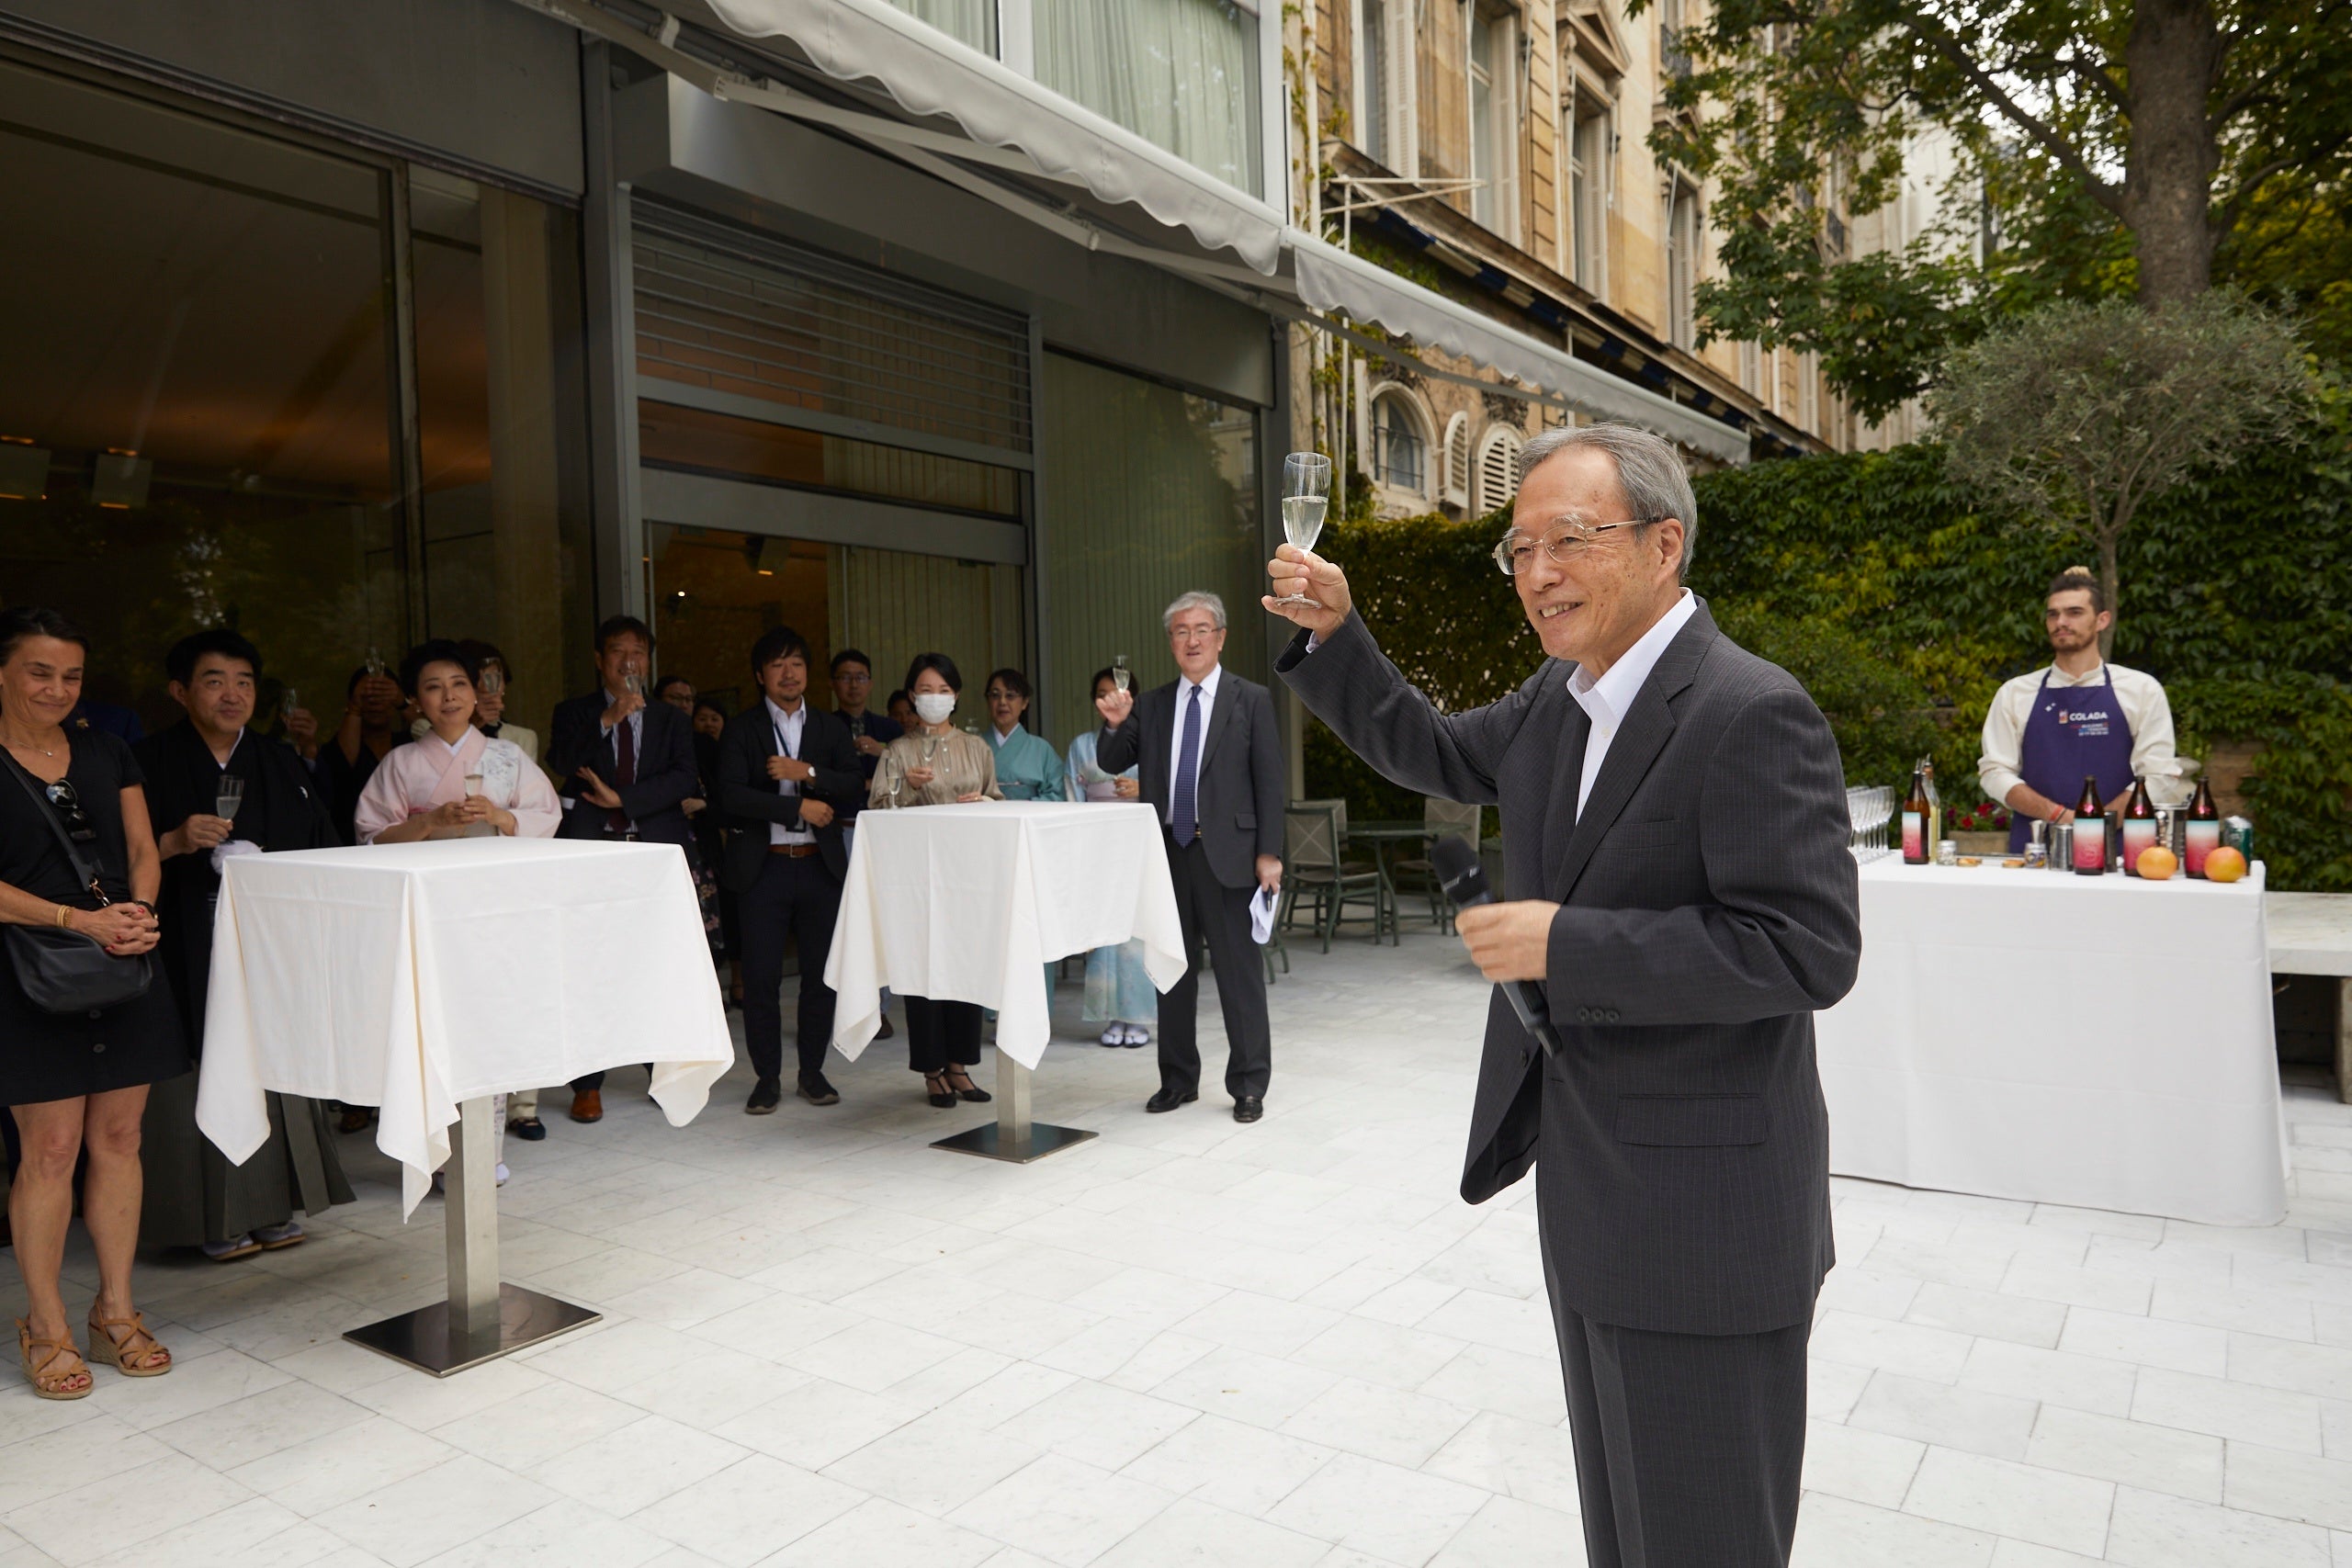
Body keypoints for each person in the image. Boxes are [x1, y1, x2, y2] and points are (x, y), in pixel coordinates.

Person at [1270, 423, 1861, 1568]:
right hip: (1593, 1195)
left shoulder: (1749, 710)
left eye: (1570, 540)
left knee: (1703, 1537)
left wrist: (1567, 945)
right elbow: (1432, 749)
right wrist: (1342, 635)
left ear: (1662, 545)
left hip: (1705, 1223)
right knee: (1626, 1534)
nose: (1538, 572)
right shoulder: (1560, 700)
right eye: (1518, 548)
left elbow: (1806, 949)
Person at [0, 606, 180, 1398]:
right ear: (2, 672)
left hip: (122, 961)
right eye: (40, 671)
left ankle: (115, 1308)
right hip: (29, 968)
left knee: (120, 1134)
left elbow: (143, 848)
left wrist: (139, 912)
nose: (57, 687)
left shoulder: (109, 749)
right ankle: (45, 1322)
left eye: (70, 674)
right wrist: (79, 918)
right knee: (48, 1150)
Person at [134, 629, 353, 1260]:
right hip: (182, 940)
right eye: (213, 679)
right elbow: (121, 854)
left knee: (271, 1060)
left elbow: (321, 843)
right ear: (180, 691)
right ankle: (210, 1215)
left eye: (244, 681)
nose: (232, 694)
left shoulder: (280, 761)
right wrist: (174, 840)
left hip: (266, 945)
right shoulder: (146, 760)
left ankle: (274, 1204)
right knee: (199, 1063)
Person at [1094, 592, 1285, 1124]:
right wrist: (1114, 723)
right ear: (1172, 642)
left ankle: (1248, 1085)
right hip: (1168, 855)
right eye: (1181, 631)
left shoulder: (1251, 699)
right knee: (1170, 974)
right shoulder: (1152, 704)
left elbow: (1270, 784)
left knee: (1238, 977)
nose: (1192, 639)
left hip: (1231, 858)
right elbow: (1112, 760)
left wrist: (1269, 854)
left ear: (1220, 638)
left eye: (1202, 629)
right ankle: (1177, 1080)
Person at [546, 615, 699, 1123]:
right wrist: (608, 721)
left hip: (653, 853)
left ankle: (663, 1072)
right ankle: (587, 1084)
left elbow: (683, 776)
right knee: (589, 966)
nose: (628, 661)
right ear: (599, 659)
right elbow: (563, 759)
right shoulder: (575, 713)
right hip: (593, 851)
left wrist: (624, 799)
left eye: (638, 651)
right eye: (617, 651)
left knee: (657, 963)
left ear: (648, 660)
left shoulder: (671, 718)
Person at [716, 626, 862, 1111]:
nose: (788, 673)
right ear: (761, 675)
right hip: (765, 868)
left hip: (820, 867)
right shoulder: (742, 729)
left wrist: (808, 775)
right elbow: (729, 795)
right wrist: (794, 809)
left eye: (796, 663)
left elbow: (853, 786)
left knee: (820, 976)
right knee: (760, 980)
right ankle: (767, 1077)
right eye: (777, 665)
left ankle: (813, 1073)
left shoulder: (829, 728)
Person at [866, 653, 1001, 1107]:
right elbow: (877, 813)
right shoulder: (896, 752)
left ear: (957, 696)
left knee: (966, 966)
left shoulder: (977, 748)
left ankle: (960, 1066)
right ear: (911, 696)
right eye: (926, 690)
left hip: (968, 877)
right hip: (917, 882)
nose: (935, 698)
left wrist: (982, 802)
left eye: (944, 690)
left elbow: (998, 802)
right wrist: (906, 787)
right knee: (924, 973)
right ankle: (931, 1069)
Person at [1980, 566, 2185, 851]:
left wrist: (2099, 825)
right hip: (2036, 852)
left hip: (2124, 853)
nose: (2061, 622)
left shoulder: (2141, 689)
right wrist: (2060, 816)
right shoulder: (2014, 693)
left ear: (2102, 620)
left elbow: (2158, 775)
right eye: (2053, 614)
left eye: (2074, 612)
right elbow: (1995, 773)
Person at [355, 641, 564, 845]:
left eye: (459, 684)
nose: (449, 696)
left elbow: (545, 817)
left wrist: (498, 816)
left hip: (498, 872)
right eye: (434, 687)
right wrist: (430, 821)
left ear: (475, 692)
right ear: (415, 700)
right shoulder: (399, 762)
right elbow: (373, 837)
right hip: (428, 874)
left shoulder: (510, 754)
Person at [1067, 668, 1154, 1049]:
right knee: (1104, 932)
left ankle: (1138, 1016)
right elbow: (1073, 793)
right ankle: (1110, 1013)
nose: (1111, 700)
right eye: (1103, 693)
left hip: (1138, 838)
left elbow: (1172, 785)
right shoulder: (1081, 745)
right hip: (1097, 839)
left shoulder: (1150, 740)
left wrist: (1144, 786)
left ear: (1133, 699)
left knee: (1136, 931)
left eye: (1119, 693)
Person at [313, 663, 405, 845]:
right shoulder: (343, 747)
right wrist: (355, 706)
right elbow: (342, 761)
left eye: (383, 694)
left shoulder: (409, 743)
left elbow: (437, 732)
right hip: (349, 844)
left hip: (408, 841)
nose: (375, 702)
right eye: (367, 696)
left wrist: (403, 703)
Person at [982, 669, 1065, 801]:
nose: (1002, 702)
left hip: (1027, 820)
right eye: (995, 695)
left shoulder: (1041, 749)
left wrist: (1022, 808)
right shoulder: (973, 746)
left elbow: (1057, 795)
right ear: (988, 701)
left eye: (1010, 696)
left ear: (1025, 702)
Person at [831, 649, 902, 784]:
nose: (854, 685)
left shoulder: (891, 727)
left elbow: (906, 770)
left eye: (861, 678)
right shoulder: (823, 727)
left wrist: (882, 752)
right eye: (845, 678)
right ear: (832, 683)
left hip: (882, 802)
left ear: (870, 684)